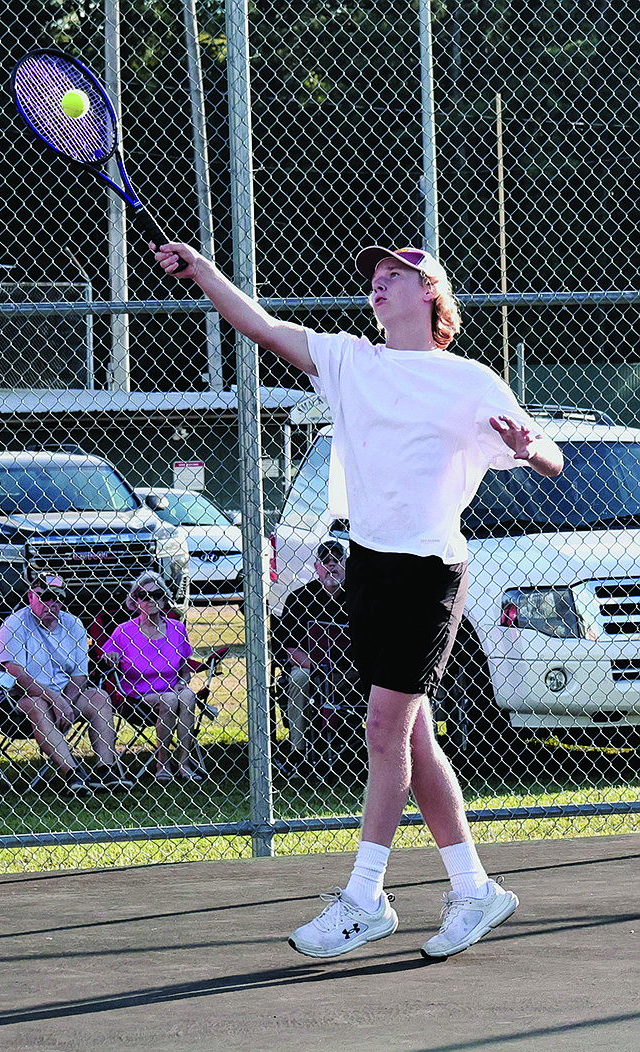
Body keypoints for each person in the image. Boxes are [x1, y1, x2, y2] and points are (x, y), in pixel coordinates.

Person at [153, 237, 564, 960]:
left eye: (392, 276)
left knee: (382, 730)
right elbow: (258, 325)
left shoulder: (469, 380)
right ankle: (473, 890)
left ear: (430, 292)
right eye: (372, 277)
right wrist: (205, 271)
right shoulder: (349, 361)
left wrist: (529, 447)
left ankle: (364, 898)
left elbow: (549, 458)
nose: (376, 285)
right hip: (370, 566)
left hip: (429, 571)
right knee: (410, 735)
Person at [0, 572, 131, 795]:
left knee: (99, 697)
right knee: (36, 704)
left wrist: (64, 701)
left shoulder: (73, 623)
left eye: (57, 598)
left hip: (64, 697)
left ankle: (106, 770)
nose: (51, 603)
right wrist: (56, 700)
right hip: (18, 698)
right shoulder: (15, 623)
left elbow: (79, 674)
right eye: (45, 597)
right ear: (30, 597)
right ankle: (73, 774)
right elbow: (16, 673)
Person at [101, 571, 201, 781]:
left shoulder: (177, 629)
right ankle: (162, 763)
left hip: (173, 689)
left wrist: (183, 683)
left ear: (164, 598)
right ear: (135, 601)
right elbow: (106, 658)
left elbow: (185, 670)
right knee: (170, 699)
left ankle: (184, 763)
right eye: (144, 596)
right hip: (137, 696)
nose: (151, 600)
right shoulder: (123, 631)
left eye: (157, 595)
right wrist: (110, 656)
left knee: (187, 696)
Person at [278, 538, 350, 773]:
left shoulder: (360, 597)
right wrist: (320, 667)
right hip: (311, 668)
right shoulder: (299, 599)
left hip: (352, 670)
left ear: (346, 564)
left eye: (337, 560)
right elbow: (288, 648)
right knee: (298, 678)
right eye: (326, 560)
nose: (332, 565)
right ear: (316, 566)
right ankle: (297, 752)